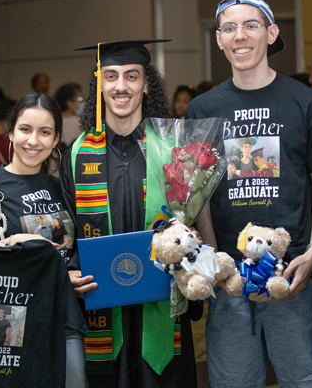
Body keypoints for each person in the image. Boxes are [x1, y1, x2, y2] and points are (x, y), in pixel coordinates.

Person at [186, 0, 312, 388]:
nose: (240, 36)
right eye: (229, 28)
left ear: (271, 32)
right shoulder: (202, 109)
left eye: (251, 25)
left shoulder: (306, 103)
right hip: (229, 282)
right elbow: (201, 196)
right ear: (218, 39)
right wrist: (215, 261)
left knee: (302, 381)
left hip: (291, 277)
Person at [61, 39, 198, 387]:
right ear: (100, 83)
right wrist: (70, 272)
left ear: (146, 83)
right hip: (105, 311)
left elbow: (192, 223)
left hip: (163, 305)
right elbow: (67, 231)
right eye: (111, 76)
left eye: (131, 76)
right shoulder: (77, 155)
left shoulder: (172, 148)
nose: (121, 86)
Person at [0, 92, 86, 387]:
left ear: (56, 138)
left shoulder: (63, 189)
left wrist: (72, 275)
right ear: (10, 132)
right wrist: (14, 241)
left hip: (62, 315)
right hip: (8, 319)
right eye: (25, 129)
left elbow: (75, 249)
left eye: (45, 132)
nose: (34, 141)